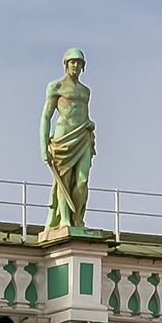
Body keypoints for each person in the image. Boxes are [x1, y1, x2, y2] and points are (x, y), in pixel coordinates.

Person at [39, 50, 96, 237]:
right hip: (63, 138)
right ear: (65, 64)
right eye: (72, 62)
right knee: (64, 180)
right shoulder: (55, 87)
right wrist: (43, 145)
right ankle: (64, 218)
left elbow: (83, 113)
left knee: (82, 180)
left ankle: (78, 218)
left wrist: (90, 123)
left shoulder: (86, 91)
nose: (75, 66)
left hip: (83, 136)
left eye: (79, 63)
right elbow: (46, 117)